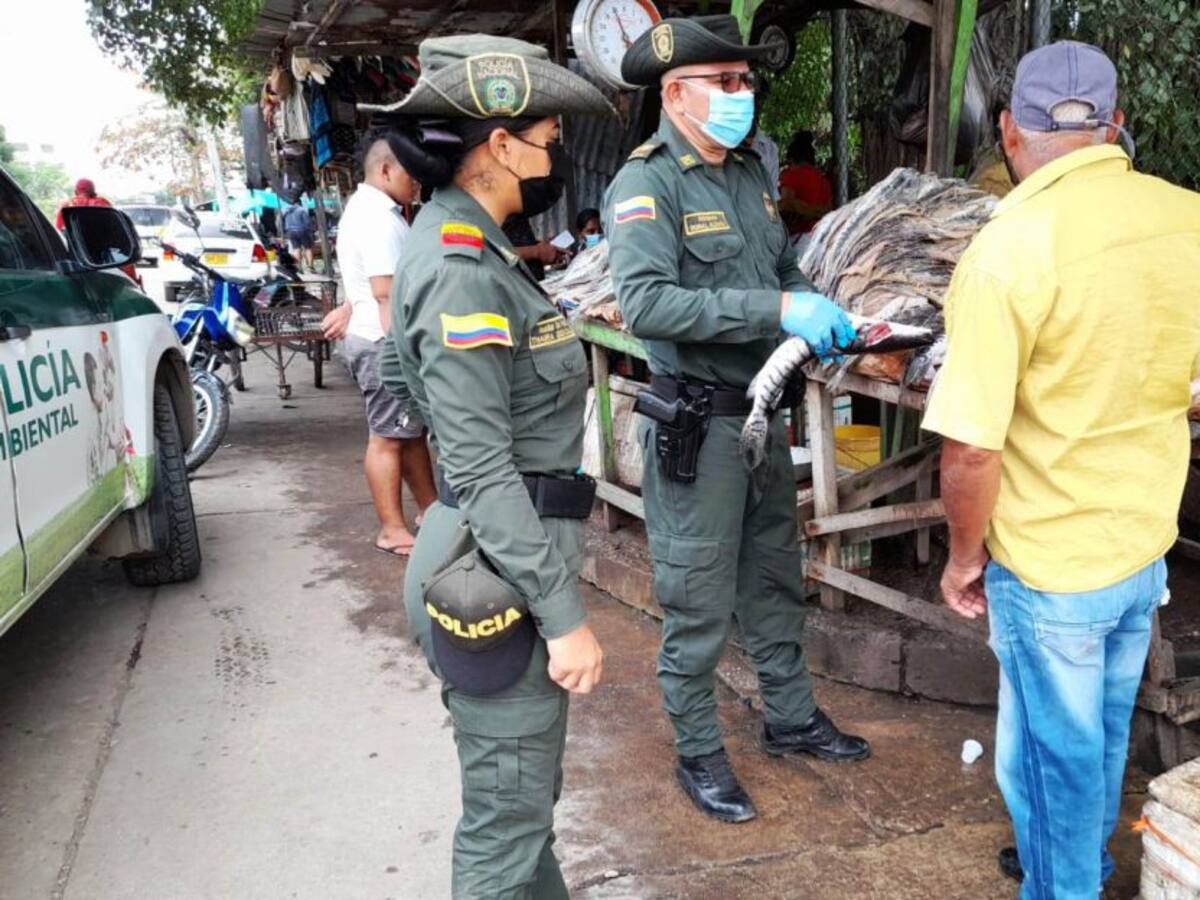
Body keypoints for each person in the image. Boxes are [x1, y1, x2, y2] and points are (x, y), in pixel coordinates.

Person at [922, 41, 1200, 898]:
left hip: (1051, 571)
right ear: (1116, 124)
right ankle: (1087, 864)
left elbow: (971, 446)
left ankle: (1068, 886)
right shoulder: (1186, 216)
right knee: (1096, 741)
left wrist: (965, 558)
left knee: (1056, 767)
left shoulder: (1007, 252)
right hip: (1141, 543)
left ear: (1010, 133)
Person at [605, 15, 869, 826]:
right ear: (676, 94)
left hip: (762, 414)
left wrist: (811, 299)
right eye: (725, 82)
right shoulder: (647, 185)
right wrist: (776, 305)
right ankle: (699, 751)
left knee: (773, 578)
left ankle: (790, 718)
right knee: (697, 598)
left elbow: (778, 264)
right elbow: (646, 301)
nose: (742, 96)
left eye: (747, 82)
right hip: (699, 424)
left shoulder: (751, 170)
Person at [366, 34, 611, 897]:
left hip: (490, 550)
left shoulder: (469, 246)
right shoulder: (463, 267)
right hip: (499, 572)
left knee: (523, 805)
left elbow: (406, 383)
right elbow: (476, 465)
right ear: (500, 148)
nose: (555, 160)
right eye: (547, 140)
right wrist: (563, 613)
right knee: (505, 826)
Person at [320, 129, 436, 557]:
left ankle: (430, 510)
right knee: (387, 438)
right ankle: (391, 527)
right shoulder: (378, 218)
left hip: (374, 337)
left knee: (408, 434)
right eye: (411, 171)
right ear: (386, 169)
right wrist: (407, 356)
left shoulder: (371, 210)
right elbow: (386, 293)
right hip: (383, 342)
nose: (418, 181)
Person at [777, 131, 833, 238]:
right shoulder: (823, 179)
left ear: (792, 159)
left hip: (800, 236)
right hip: (822, 235)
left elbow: (786, 207)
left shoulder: (792, 175)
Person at [280, 200, 316, 271]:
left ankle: (298, 267)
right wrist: (311, 230)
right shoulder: (301, 210)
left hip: (290, 232)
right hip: (302, 231)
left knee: (296, 249)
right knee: (308, 248)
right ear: (299, 203)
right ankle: (310, 267)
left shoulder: (286, 211)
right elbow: (307, 222)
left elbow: (281, 222)